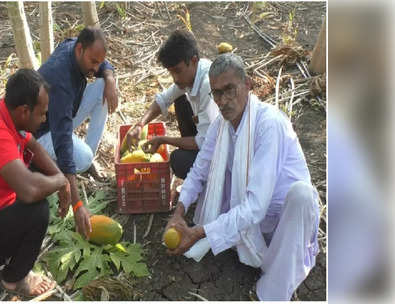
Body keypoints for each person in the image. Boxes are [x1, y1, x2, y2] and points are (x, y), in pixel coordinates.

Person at [164, 53, 320, 300]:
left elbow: (257, 207)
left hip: (282, 222)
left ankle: (273, 288)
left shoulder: (269, 124)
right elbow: (199, 171)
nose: (223, 100)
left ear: (247, 85)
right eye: (216, 93)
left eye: (230, 90)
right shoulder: (221, 125)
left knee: (302, 194)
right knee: (217, 170)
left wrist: (200, 231)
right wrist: (178, 213)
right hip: (251, 220)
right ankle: (249, 245)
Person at [0, 69, 91, 296]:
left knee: (37, 170)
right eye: (42, 114)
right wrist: (58, 181)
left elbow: (33, 145)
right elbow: (29, 191)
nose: (45, 119)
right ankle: (15, 278)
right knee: (37, 209)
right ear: (24, 111)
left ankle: (12, 253)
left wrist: (62, 180)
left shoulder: (3, 112)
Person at [35, 26, 118, 219]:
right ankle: (60, 163)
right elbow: (62, 138)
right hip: (43, 132)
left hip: (63, 112)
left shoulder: (74, 47)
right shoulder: (60, 78)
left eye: (99, 62)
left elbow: (104, 66)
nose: (96, 68)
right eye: (93, 62)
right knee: (79, 157)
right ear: (80, 49)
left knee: (103, 86)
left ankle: (87, 155)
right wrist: (77, 202)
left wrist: (110, 79)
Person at [126, 29, 219, 182]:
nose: (175, 78)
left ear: (194, 61)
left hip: (222, 153)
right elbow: (163, 100)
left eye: (177, 71)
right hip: (207, 138)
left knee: (178, 161)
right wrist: (139, 125)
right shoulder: (190, 76)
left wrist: (164, 140)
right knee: (181, 99)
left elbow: (203, 141)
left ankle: (208, 182)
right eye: (171, 73)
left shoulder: (207, 85)